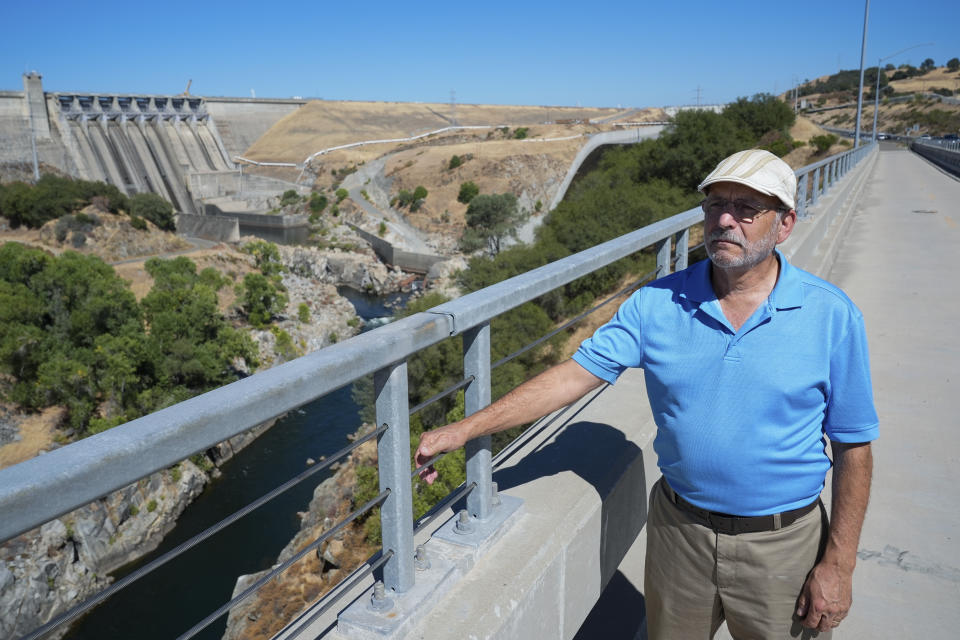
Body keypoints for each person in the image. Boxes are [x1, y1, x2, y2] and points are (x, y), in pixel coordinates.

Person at [416, 149, 877, 639]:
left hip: (784, 546)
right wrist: (463, 429)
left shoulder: (830, 316)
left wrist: (839, 563)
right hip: (680, 536)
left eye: (746, 209)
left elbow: (855, 447)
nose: (724, 219)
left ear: (785, 224)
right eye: (715, 204)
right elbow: (572, 377)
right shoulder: (656, 303)